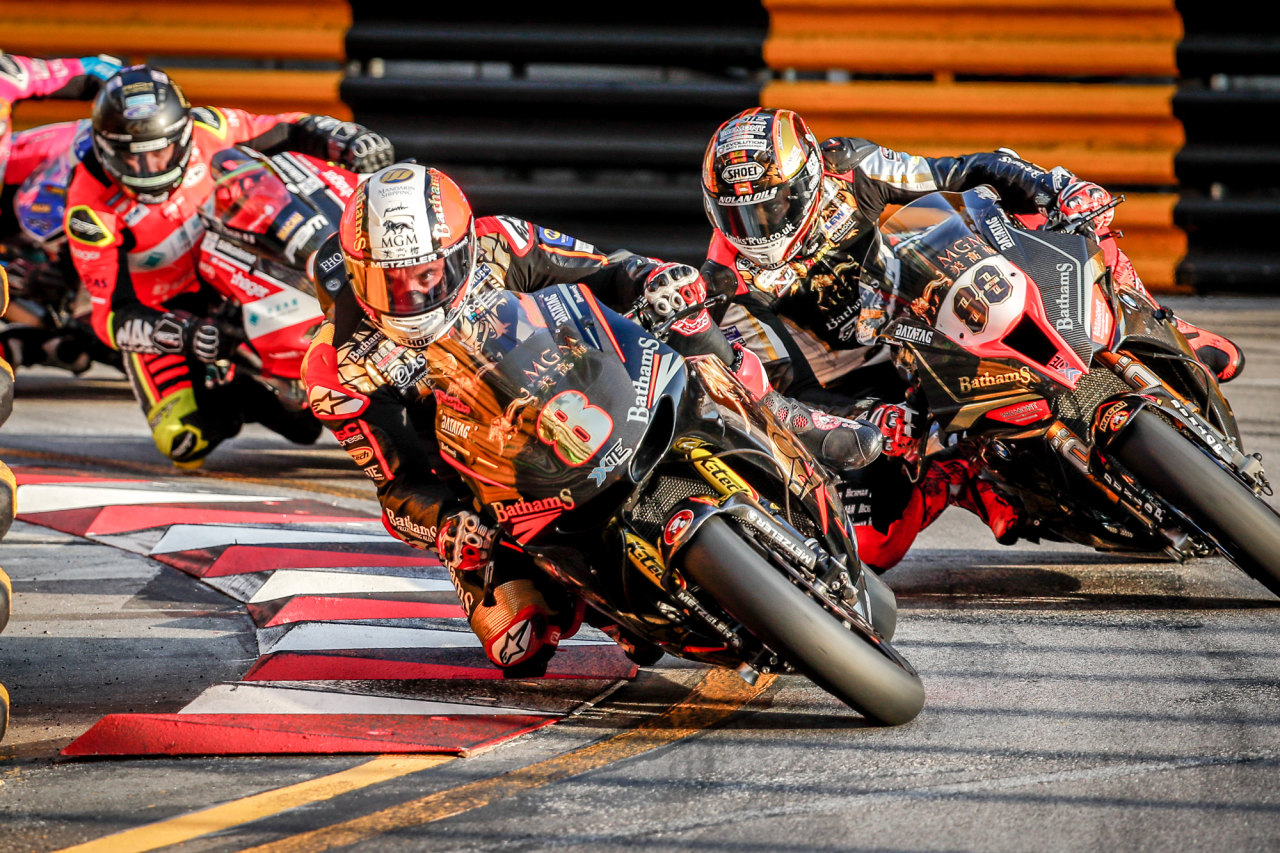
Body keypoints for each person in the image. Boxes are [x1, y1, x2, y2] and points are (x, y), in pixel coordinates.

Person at [301, 163, 882, 674]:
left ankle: (789, 418)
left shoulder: (501, 242)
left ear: (460, 252)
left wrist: (654, 281)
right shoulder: (337, 369)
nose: (411, 295)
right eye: (390, 281)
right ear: (358, 276)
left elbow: (605, 270)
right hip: (492, 479)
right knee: (518, 642)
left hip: (579, 381)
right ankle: (604, 606)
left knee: (681, 314)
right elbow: (398, 486)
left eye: (426, 274)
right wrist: (449, 524)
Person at [683, 107, 1246, 571]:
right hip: (868, 374)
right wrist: (862, 417)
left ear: (807, 180)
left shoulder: (850, 167)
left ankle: (1148, 317)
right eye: (741, 217)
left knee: (1051, 217)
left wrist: (1056, 187)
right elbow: (782, 390)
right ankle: (958, 477)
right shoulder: (725, 286)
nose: (758, 228)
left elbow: (964, 171)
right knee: (871, 546)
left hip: (927, 289)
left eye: (771, 207)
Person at [64, 64, 396, 468]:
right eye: (133, 158)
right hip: (171, 311)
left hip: (238, 265)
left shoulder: (209, 127)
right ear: (106, 150)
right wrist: (179, 333)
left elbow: (287, 128)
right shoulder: (89, 212)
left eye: (159, 152)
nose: (149, 168)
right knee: (184, 438)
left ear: (182, 135)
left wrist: (343, 140)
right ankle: (245, 387)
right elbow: (111, 317)